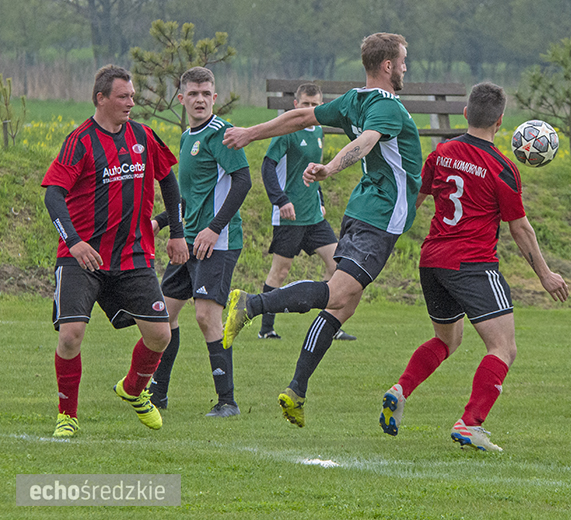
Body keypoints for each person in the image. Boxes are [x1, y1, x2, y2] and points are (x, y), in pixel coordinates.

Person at [221, 32, 421, 428]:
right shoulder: (387, 107)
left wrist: (249, 133)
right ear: (387, 66)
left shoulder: (354, 99)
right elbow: (365, 141)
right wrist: (330, 168)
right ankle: (251, 304)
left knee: (343, 305)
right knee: (337, 292)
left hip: (366, 209)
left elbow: (299, 117)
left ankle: (296, 390)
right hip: (380, 216)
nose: (404, 67)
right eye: (401, 61)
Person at [378, 82, 569, 451]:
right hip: (473, 264)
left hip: (432, 261)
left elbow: (413, 201)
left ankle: (400, 391)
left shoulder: (441, 152)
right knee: (503, 348)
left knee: (447, 340)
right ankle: (470, 423)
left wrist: (384, 243)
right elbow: (520, 228)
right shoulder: (501, 168)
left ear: (466, 113)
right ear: (499, 121)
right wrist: (545, 274)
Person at [41, 65, 189, 437]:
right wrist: (74, 241)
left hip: (133, 256)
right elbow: (53, 194)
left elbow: (170, 184)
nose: (131, 102)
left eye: (133, 95)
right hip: (82, 257)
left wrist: (177, 233)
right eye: (123, 96)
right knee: (70, 334)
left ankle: (133, 390)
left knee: (160, 335)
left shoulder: (143, 136)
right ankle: (67, 415)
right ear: (101, 98)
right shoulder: (80, 141)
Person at [147, 67, 252, 417]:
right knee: (163, 316)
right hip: (188, 241)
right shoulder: (188, 136)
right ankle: (157, 395)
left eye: (206, 93)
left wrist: (214, 228)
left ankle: (228, 402)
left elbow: (242, 182)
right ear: (182, 98)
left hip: (216, 242)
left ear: (215, 97)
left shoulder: (221, 134)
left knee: (207, 317)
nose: (200, 99)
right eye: (193, 94)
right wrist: (162, 221)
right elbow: (190, 195)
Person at [257, 82, 355, 342]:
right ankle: (266, 328)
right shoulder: (286, 131)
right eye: (306, 104)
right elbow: (267, 167)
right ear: (295, 105)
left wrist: (320, 197)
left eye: (315, 105)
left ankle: (329, 326)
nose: (311, 109)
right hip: (289, 214)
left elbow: (314, 170)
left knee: (337, 265)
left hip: (314, 215)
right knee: (281, 271)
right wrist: (280, 200)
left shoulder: (319, 131)